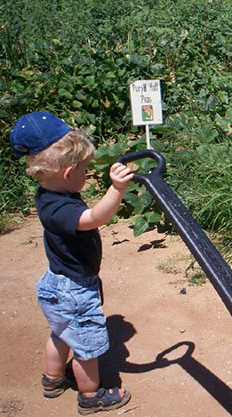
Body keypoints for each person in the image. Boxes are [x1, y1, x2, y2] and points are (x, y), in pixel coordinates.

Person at [10, 111, 134, 415]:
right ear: (67, 173)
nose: (88, 176)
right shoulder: (59, 209)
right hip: (74, 289)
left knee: (61, 333)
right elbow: (94, 218)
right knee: (86, 348)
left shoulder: (48, 195)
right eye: (85, 171)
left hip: (57, 283)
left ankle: (53, 380)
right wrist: (116, 190)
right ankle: (91, 395)